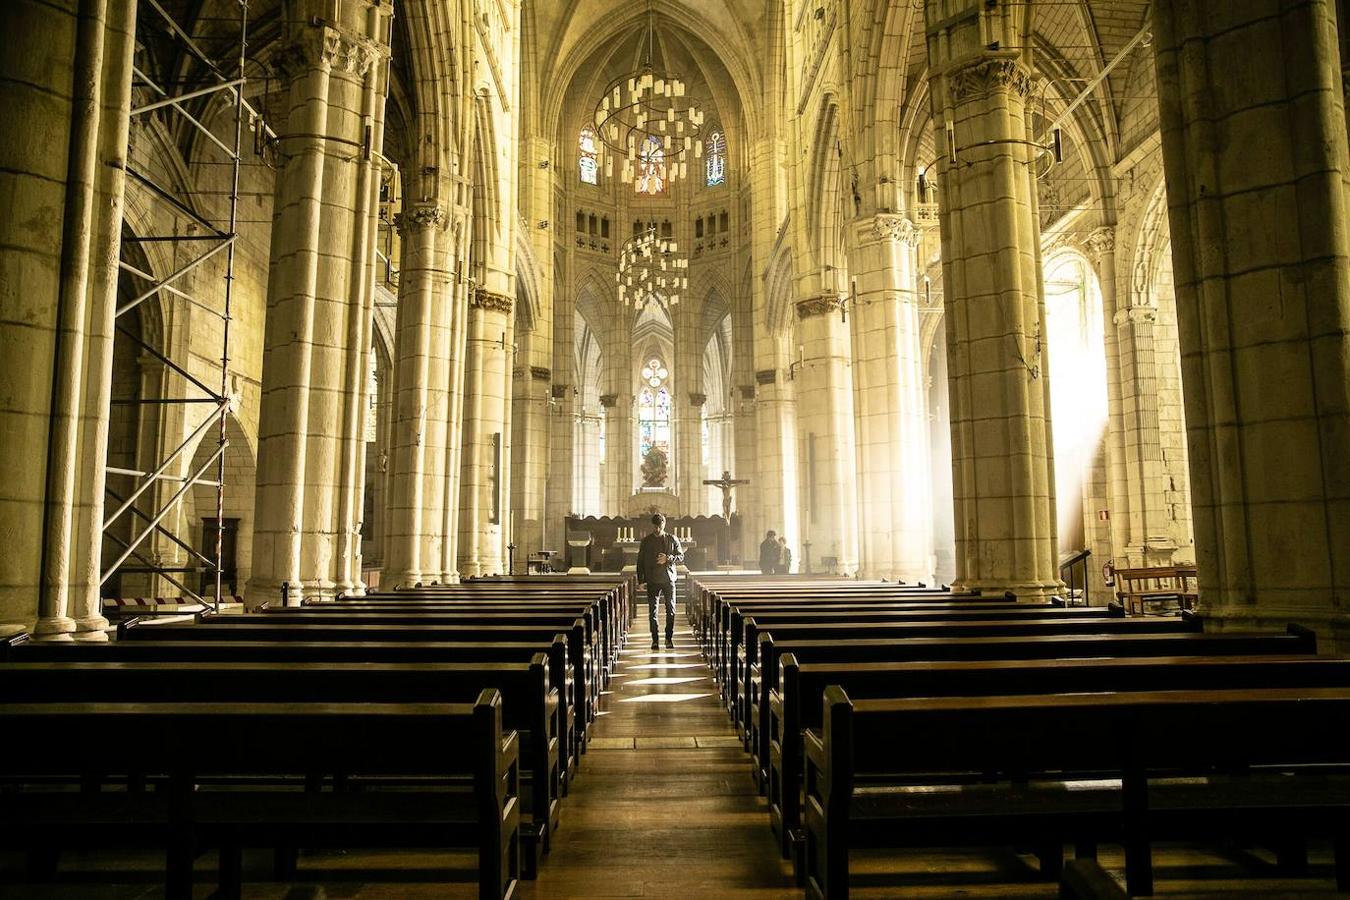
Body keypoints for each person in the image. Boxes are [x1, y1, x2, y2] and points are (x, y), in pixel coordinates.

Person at [636, 513, 684, 650]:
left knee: (671, 610)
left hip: (669, 579)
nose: (657, 529)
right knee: (653, 612)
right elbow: (640, 562)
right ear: (652, 525)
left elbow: (681, 556)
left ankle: (668, 638)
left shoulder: (672, 538)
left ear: (664, 524)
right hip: (652, 579)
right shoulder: (646, 541)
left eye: (660, 526)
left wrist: (668, 558)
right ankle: (655, 640)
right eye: (655, 526)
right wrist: (641, 580)